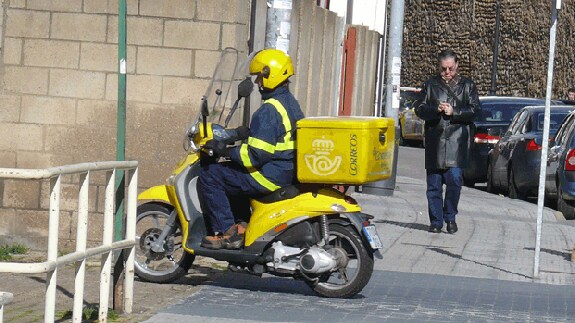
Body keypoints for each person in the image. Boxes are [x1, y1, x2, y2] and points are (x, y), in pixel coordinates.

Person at [198, 48, 304, 249]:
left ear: (269, 75)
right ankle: (242, 225)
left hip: (269, 175)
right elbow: (274, 139)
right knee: (233, 173)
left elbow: (254, 156)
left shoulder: (268, 110)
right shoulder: (290, 103)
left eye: (259, 78)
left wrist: (224, 150)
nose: (257, 83)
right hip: (284, 170)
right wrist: (242, 133)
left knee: (211, 173)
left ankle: (228, 233)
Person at [414, 49, 480, 234]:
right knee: (433, 186)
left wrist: (455, 111)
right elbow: (419, 108)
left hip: (456, 143)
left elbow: (475, 110)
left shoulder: (467, 85)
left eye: (450, 68)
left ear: (457, 65)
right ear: (439, 66)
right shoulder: (430, 85)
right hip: (436, 141)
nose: (447, 72)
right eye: (444, 69)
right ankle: (436, 221)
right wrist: (436, 108)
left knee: (454, 180)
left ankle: (450, 216)